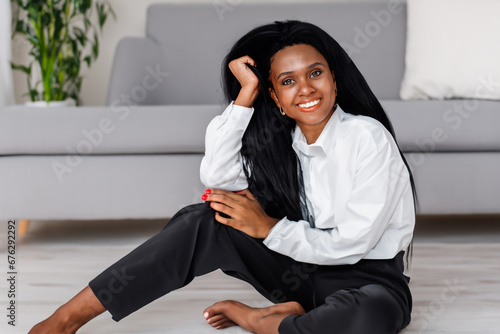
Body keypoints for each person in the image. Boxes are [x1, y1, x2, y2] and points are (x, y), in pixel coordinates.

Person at [29, 20, 416, 334]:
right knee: (207, 219)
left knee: (368, 317)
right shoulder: (281, 144)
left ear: (333, 77)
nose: (306, 89)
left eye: (315, 73)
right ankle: (63, 321)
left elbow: (353, 243)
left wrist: (269, 229)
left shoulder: (367, 137)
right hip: (299, 271)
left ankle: (265, 320)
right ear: (275, 97)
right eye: (288, 81)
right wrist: (245, 96)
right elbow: (218, 177)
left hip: (368, 280)